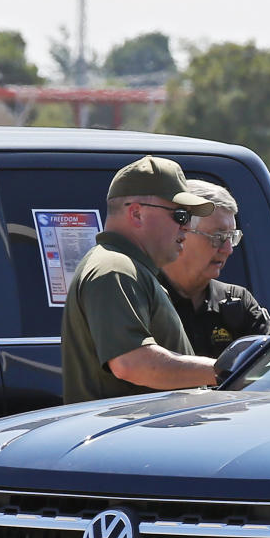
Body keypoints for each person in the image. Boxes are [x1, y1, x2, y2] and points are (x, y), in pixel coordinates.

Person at [61, 155, 219, 404]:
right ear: (136, 214)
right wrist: (222, 370)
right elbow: (131, 363)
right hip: (124, 440)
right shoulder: (115, 269)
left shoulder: (127, 267)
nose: (187, 227)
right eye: (180, 215)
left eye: (189, 218)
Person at [161, 180, 270, 357]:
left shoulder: (239, 302)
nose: (227, 250)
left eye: (232, 237)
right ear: (181, 232)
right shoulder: (143, 297)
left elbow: (268, 371)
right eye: (218, 236)